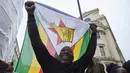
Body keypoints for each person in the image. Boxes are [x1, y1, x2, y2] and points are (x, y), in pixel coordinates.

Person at [25, 1, 97, 73]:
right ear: (58, 55)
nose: (66, 52)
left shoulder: (77, 67)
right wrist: (30, 14)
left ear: (73, 57)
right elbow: (36, 42)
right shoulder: (49, 63)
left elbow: (89, 53)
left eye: (69, 51)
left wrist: (94, 34)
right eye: (63, 50)